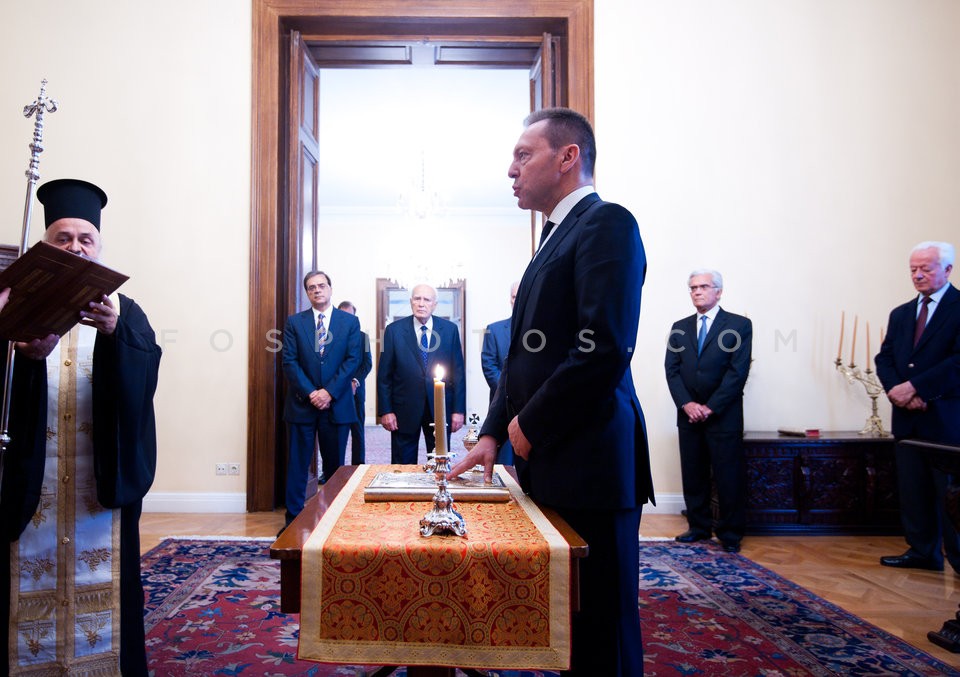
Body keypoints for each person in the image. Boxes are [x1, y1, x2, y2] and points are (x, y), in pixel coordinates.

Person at [449, 107, 654, 676]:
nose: (510, 170)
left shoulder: (607, 222)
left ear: (568, 157)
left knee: (603, 627)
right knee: (569, 617)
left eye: (523, 155)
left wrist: (529, 425)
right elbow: (524, 354)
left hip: (591, 462)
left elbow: (603, 347)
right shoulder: (554, 235)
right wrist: (493, 432)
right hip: (554, 457)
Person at [0, 178, 161, 675]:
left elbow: (143, 385)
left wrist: (116, 338)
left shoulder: (125, 312)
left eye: (85, 239)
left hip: (99, 486)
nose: (75, 247)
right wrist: (27, 360)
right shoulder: (11, 305)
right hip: (32, 482)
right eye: (63, 238)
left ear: (98, 247)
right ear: (44, 246)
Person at [875, 241, 960, 572]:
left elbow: (957, 362)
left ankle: (957, 557)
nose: (918, 275)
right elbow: (884, 358)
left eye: (925, 268)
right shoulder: (901, 313)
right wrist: (897, 391)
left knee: (950, 493)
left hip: (945, 418)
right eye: (913, 269)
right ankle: (923, 551)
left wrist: (916, 388)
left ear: (948, 269)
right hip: (907, 419)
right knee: (913, 490)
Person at [664, 269, 752, 553]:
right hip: (688, 416)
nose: (697, 292)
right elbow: (671, 370)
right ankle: (698, 527)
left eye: (703, 286)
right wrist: (687, 404)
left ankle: (730, 533)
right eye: (693, 288)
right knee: (693, 474)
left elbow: (737, 372)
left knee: (728, 476)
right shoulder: (679, 327)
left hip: (723, 416)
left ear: (719, 291)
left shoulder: (739, 325)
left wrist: (711, 407)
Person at [281, 272, 361, 528]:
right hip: (301, 405)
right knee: (297, 466)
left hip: (336, 405)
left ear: (330, 288)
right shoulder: (295, 322)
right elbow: (289, 362)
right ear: (307, 292)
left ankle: (334, 522)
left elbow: (353, 360)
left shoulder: (349, 322)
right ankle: (293, 522)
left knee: (335, 468)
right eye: (311, 287)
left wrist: (329, 392)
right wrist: (311, 393)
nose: (317, 290)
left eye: (321, 286)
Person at [377, 284, 466, 464]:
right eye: (417, 298)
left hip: (440, 408)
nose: (421, 303)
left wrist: (458, 410)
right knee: (402, 466)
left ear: (435, 304)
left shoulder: (449, 330)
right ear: (411, 302)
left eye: (426, 299)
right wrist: (386, 410)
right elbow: (384, 375)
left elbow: (458, 373)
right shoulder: (393, 331)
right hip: (404, 409)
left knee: (439, 463)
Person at [480, 281, 519, 464]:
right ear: (510, 299)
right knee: (503, 463)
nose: (518, 300)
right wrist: (509, 393)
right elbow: (489, 365)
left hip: (532, 406)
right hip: (502, 406)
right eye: (514, 296)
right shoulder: (494, 330)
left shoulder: (542, 331)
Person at [337, 300, 372, 464]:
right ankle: (335, 469)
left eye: (349, 315)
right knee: (336, 433)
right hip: (336, 392)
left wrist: (355, 381)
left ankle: (358, 466)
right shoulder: (330, 336)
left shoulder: (363, 337)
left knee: (357, 431)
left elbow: (367, 363)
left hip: (356, 392)